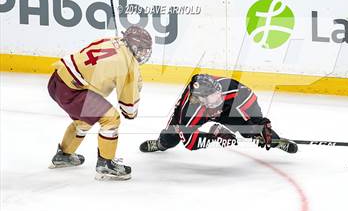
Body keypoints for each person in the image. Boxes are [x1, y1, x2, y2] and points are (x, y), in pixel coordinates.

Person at [48, 26, 152, 180]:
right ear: (135, 46)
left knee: (86, 118)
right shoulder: (128, 65)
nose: (144, 53)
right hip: (73, 92)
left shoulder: (113, 40)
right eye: (143, 49)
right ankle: (106, 164)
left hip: (57, 81)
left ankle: (64, 156)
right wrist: (135, 87)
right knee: (111, 118)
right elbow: (129, 110)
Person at [140, 74, 298, 153]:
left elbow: (253, 109)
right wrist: (214, 136)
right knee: (171, 136)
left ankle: (277, 141)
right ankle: (160, 144)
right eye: (212, 96)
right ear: (200, 99)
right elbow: (190, 143)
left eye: (217, 93)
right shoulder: (189, 109)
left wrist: (262, 126)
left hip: (226, 111)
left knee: (253, 129)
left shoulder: (232, 89)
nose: (218, 97)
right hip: (200, 113)